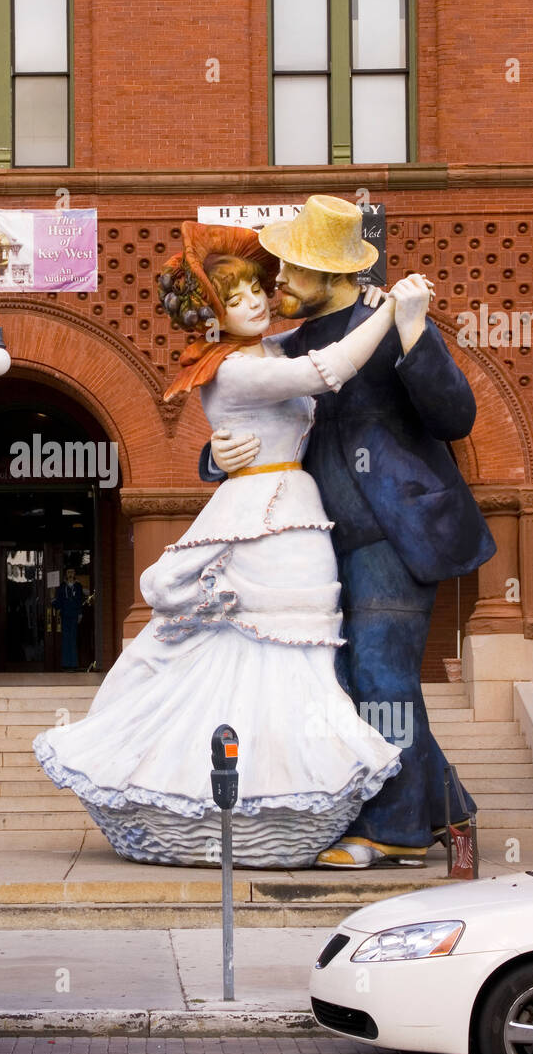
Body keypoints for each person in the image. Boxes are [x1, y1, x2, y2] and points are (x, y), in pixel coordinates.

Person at [33, 223, 407, 868]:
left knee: (289, 659)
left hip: (285, 510)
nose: (257, 303)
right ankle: (247, 803)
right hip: (266, 517)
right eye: (236, 300)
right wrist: (394, 309)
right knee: (264, 655)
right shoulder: (232, 370)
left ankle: (282, 799)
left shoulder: (262, 352)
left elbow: (313, 339)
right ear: (212, 317)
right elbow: (327, 367)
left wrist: (363, 302)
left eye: (256, 290)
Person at [201, 195, 496, 869]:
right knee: (339, 677)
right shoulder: (281, 346)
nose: (276, 284)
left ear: (329, 273)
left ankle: (390, 830)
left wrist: (417, 334)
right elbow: (248, 426)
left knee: (379, 672)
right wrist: (215, 457)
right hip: (306, 544)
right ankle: (448, 814)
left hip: (392, 532)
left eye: (289, 272)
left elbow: (454, 415)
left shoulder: (390, 322)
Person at [53, 568, 85, 670]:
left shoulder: (78, 586)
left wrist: (80, 614)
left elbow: (80, 600)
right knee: (66, 639)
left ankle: (74, 664)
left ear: (75, 573)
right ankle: (66, 664)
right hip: (65, 615)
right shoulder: (62, 586)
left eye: (72, 572)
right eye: (68, 572)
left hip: (74, 615)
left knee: (73, 639)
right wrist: (52, 599)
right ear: (66, 574)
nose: (70, 574)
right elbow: (58, 602)